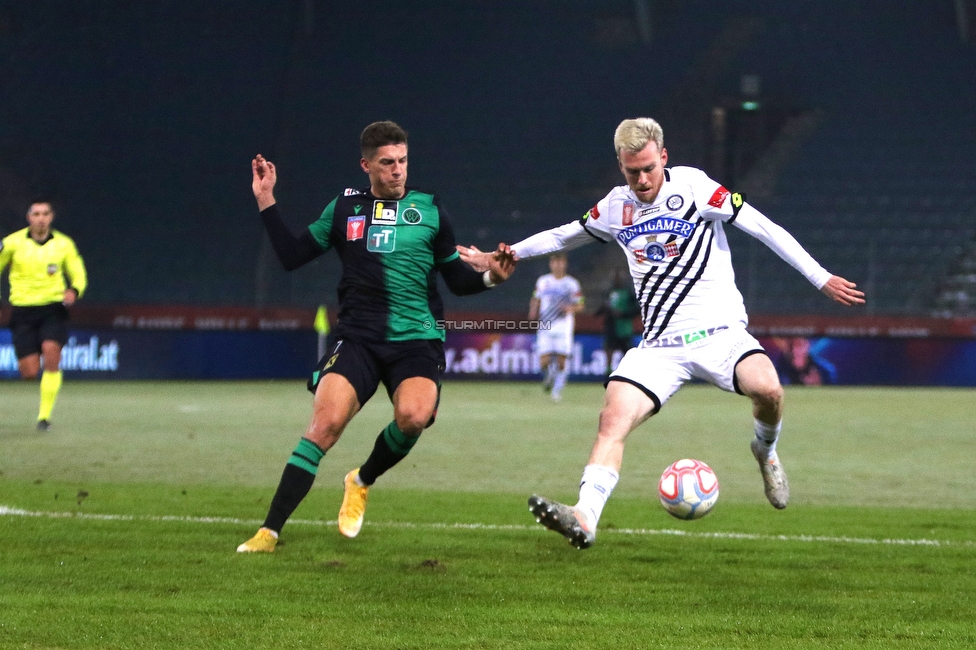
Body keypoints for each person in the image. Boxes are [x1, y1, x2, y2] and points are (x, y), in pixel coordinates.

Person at [460, 117, 864, 549]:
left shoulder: (694, 188)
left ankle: (764, 451)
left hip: (720, 333)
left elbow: (764, 227)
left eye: (649, 168)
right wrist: (505, 254)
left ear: (663, 157)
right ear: (621, 166)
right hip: (659, 348)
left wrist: (819, 277)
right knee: (611, 419)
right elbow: (565, 235)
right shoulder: (616, 207)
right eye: (633, 171)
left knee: (769, 391)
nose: (643, 179)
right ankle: (585, 516)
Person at [237, 121, 516, 553]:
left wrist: (491, 280)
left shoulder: (430, 210)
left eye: (403, 161)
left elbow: (457, 281)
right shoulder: (344, 208)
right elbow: (292, 256)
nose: (398, 171)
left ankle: (361, 479)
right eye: (387, 163)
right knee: (324, 426)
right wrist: (266, 200)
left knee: (413, 418)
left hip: (417, 340)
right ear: (366, 165)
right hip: (359, 339)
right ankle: (269, 532)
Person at [0, 199, 87, 431]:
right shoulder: (11, 243)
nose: (41, 218)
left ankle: (44, 418)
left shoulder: (64, 244)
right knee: (29, 372)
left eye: (45, 213)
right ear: (29, 217)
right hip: (23, 310)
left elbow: (78, 272)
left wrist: (75, 290)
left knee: (51, 353)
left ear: (51, 217)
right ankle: (35, 356)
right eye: (36, 213)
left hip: (52, 308)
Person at [529, 252, 583, 402]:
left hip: (563, 326)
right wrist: (533, 311)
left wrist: (569, 309)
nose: (558, 265)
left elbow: (580, 304)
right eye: (555, 262)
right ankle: (549, 376)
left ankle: (556, 391)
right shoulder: (543, 281)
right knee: (543, 362)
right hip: (545, 325)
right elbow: (536, 298)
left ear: (565, 264)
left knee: (561, 361)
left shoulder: (572, 284)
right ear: (551, 264)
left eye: (560, 262)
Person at [596, 267, 640, 375]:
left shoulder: (629, 293)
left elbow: (637, 309)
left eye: (619, 277)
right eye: (614, 277)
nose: (616, 279)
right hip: (611, 326)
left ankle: (630, 373)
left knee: (627, 352)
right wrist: (604, 309)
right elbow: (600, 310)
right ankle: (608, 372)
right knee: (609, 350)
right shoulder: (609, 292)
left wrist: (624, 314)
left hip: (625, 328)